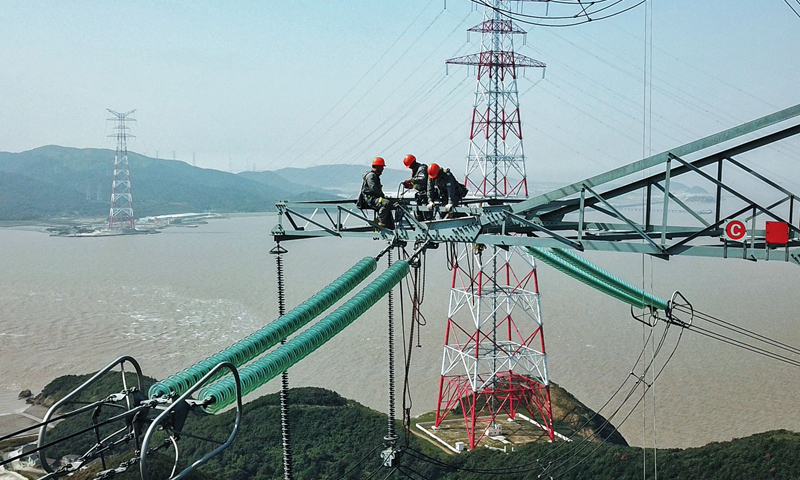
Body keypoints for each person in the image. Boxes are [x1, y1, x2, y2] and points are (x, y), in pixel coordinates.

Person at [359, 156, 394, 228]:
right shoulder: (371, 176)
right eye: (382, 167)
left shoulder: (375, 176)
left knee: (387, 202)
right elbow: (374, 189)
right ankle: (380, 221)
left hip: (373, 198)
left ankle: (388, 224)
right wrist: (382, 196)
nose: (383, 169)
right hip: (370, 199)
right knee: (386, 203)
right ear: (378, 166)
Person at [400, 153, 433, 220]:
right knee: (419, 214)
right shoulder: (415, 170)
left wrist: (411, 179)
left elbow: (423, 179)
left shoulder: (422, 168)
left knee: (427, 214)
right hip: (420, 195)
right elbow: (417, 184)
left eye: (410, 166)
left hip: (426, 194)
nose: (409, 167)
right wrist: (410, 185)